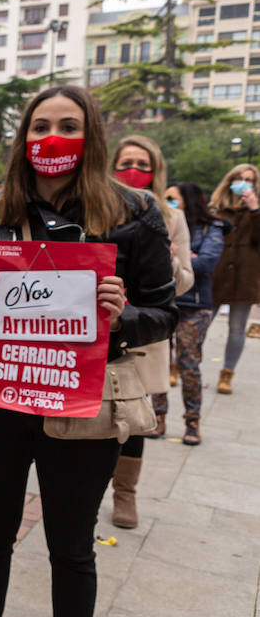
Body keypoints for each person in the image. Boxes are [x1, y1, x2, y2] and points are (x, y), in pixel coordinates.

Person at [0, 84, 176, 617]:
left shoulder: (132, 213)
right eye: (40, 125)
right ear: (22, 138)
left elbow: (166, 312)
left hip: (82, 405)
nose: (53, 137)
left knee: (70, 545)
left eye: (68, 126)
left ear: (91, 135)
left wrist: (120, 314)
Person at [108, 135, 192, 528]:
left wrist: (170, 265)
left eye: (144, 164)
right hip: (99, 325)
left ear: (156, 170)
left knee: (134, 418)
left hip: (143, 329)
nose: (134, 171)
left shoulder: (171, 216)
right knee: (97, 414)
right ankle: (89, 487)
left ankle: (126, 494)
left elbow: (187, 282)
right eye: (127, 162)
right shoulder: (99, 208)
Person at [164, 182, 227, 445]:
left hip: (196, 304)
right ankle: (157, 417)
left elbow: (207, 263)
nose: (167, 202)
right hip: (166, 302)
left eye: (172, 198)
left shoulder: (211, 227)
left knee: (189, 364)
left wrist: (180, 257)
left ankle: (192, 421)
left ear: (188, 201)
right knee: (161, 361)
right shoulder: (163, 224)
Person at [210, 162, 260, 394]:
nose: (244, 183)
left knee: (238, 328)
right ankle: (182, 364)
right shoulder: (215, 208)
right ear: (230, 182)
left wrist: (255, 210)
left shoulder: (256, 211)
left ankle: (227, 374)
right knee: (199, 323)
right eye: (240, 178)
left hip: (245, 277)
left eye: (249, 180)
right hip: (215, 275)